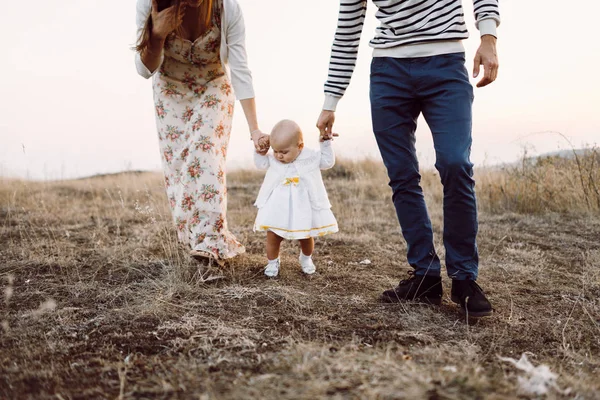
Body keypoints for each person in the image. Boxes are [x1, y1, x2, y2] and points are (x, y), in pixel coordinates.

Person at [317, 0, 500, 317]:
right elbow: (347, 32)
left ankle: (464, 279)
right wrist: (331, 100)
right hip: (389, 73)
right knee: (402, 175)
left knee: (456, 163)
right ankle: (425, 275)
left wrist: (488, 36)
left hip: (446, 63)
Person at [134, 0, 269, 265]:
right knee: (180, 170)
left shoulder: (227, 8)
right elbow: (144, 70)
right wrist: (158, 34)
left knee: (206, 152)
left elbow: (240, 69)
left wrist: (255, 130)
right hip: (170, 90)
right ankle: (194, 243)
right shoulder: (150, 4)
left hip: (213, 84)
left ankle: (212, 244)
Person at [253, 120, 338, 277]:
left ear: (300, 146)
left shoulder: (310, 157)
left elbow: (328, 162)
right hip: (277, 206)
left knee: (306, 236)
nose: (279, 155)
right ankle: (272, 262)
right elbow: (260, 165)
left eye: (284, 152)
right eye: (276, 150)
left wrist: (325, 144)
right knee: (273, 236)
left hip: (303, 207)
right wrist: (260, 152)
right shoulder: (273, 159)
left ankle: (306, 258)